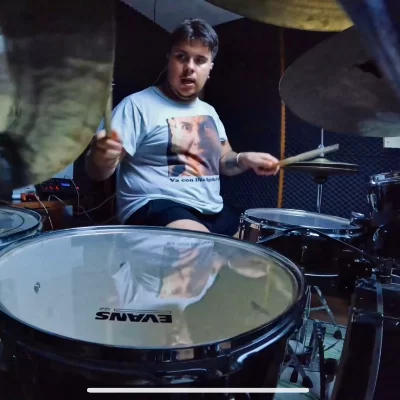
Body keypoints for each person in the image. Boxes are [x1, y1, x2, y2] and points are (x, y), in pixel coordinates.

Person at [85, 18, 280, 236]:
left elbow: (224, 160)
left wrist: (245, 159)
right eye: (182, 57)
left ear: (210, 68)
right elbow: (97, 172)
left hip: (211, 210)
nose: (190, 67)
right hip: (157, 206)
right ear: (169, 59)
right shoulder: (136, 105)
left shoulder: (209, 112)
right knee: (198, 244)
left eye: (200, 60)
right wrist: (101, 157)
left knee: (261, 242)